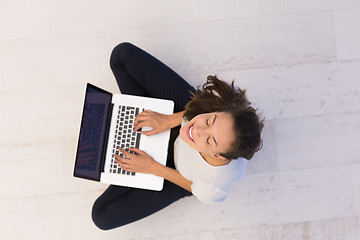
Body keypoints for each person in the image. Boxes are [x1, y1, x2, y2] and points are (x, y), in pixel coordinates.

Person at [91, 42, 264, 230]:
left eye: (209, 140)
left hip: (179, 172)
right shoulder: (226, 100)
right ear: (222, 110)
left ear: (218, 155)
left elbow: (192, 187)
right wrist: (169, 120)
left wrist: (151, 166)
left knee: (102, 216)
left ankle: (142, 127)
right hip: (186, 111)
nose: (196, 130)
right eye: (209, 122)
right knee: (121, 56)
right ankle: (141, 120)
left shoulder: (215, 185)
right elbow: (199, 117)